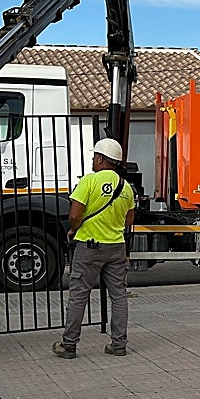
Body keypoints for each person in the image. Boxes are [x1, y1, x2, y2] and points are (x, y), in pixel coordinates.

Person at [53, 137, 136, 358]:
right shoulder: (126, 187)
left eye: (94, 156)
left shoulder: (89, 181)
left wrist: (75, 229)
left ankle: (69, 345)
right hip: (116, 247)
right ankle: (119, 344)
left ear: (101, 159)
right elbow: (128, 221)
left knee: (79, 295)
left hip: (89, 247)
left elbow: (74, 215)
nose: (92, 160)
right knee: (118, 296)